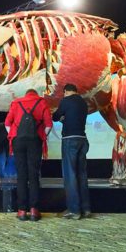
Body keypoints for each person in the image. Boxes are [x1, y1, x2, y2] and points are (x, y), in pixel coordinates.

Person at [5, 89, 53, 221]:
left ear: (25, 94)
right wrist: (42, 136)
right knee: (33, 175)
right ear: (35, 94)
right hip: (34, 141)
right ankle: (34, 210)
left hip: (18, 141)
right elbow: (49, 124)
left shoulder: (16, 103)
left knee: (21, 175)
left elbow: (7, 123)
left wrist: (13, 137)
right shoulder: (42, 102)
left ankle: (21, 211)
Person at [52, 83, 91, 220]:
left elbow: (55, 116)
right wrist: (66, 119)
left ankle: (74, 210)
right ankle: (85, 208)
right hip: (82, 139)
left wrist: (61, 118)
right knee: (81, 174)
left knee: (70, 175)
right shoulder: (83, 103)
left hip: (70, 140)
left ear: (66, 92)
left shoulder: (66, 100)